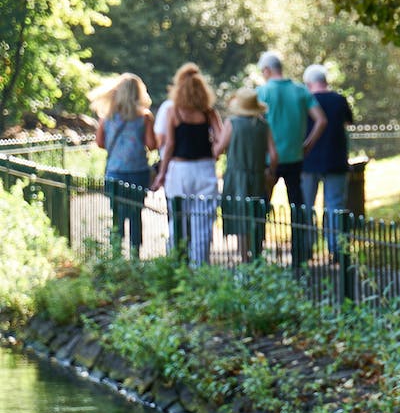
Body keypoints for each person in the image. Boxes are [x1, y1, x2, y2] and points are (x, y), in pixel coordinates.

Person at [256, 51, 326, 267]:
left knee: (261, 207)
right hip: (296, 158)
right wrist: (307, 146)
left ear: (267, 70)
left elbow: (256, 124)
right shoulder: (300, 91)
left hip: (270, 160)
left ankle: (256, 254)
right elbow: (321, 120)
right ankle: (300, 257)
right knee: (298, 207)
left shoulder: (262, 92)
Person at [150, 63, 222, 266]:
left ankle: (175, 264)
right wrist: (215, 153)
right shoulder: (209, 113)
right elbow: (222, 137)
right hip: (205, 169)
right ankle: (199, 268)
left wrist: (161, 173)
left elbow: (170, 144)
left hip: (180, 171)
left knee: (178, 221)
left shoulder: (174, 111)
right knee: (203, 223)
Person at [89, 73, 156, 258]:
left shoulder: (107, 117)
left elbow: (100, 142)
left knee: (117, 215)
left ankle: (116, 254)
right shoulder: (144, 117)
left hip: (114, 172)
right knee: (136, 214)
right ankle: (135, 255)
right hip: (138, 172)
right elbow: (152, 144)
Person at [213, 88, 278, 261]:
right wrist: (270, 172)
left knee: (241, 217)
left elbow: (218, 149)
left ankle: (244, 259)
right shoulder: (264, 125)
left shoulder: (232, 123)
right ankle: (257, 255)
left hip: (236, 177)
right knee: (256, 216)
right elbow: (273, 155)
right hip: (257, 176)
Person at [301, 64, 354, 257]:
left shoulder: (306, 100)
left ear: (308, 83)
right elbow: (348, 122)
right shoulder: (339, 100)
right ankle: (337, 249)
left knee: (305, 206)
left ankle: (306, 248)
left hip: (308, 162)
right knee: (335, 205)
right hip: (336, 160)